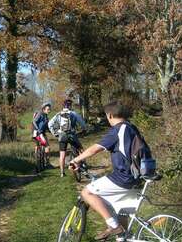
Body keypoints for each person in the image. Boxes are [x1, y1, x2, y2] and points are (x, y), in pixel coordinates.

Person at [69, 101, 142, 240]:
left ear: (109, 115)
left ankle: (113, 226)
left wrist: (75, 160)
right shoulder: (132, 127)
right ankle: (122, 235)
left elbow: (94, 149)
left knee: (87, 192)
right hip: (138, 177)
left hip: (123, 178)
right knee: (122, 213)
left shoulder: (117, 130)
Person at [48, 99, 86, 177]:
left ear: (63, 106)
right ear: (70, 106)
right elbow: (82, 123)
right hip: (72, 135)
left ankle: (62, 173)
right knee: (80, 149)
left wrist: (55, 133)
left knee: (62, 155)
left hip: (62, 136)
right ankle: (83, 165)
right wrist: (84, 129)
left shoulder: (58, 114)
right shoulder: (74, 113)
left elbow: (50, 124)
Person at [32, 102, 53, 168]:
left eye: (49, 109)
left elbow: (46, 126)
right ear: (43, 109)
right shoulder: (40, 114)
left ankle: (39, 161)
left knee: (40, 146)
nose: (49, 111)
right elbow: (34, 121)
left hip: (41, 133)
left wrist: (51, 131)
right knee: (47, 147)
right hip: (37, 132)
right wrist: (38, 129)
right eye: (48, 109)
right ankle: (47, 163)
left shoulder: (46, 116)